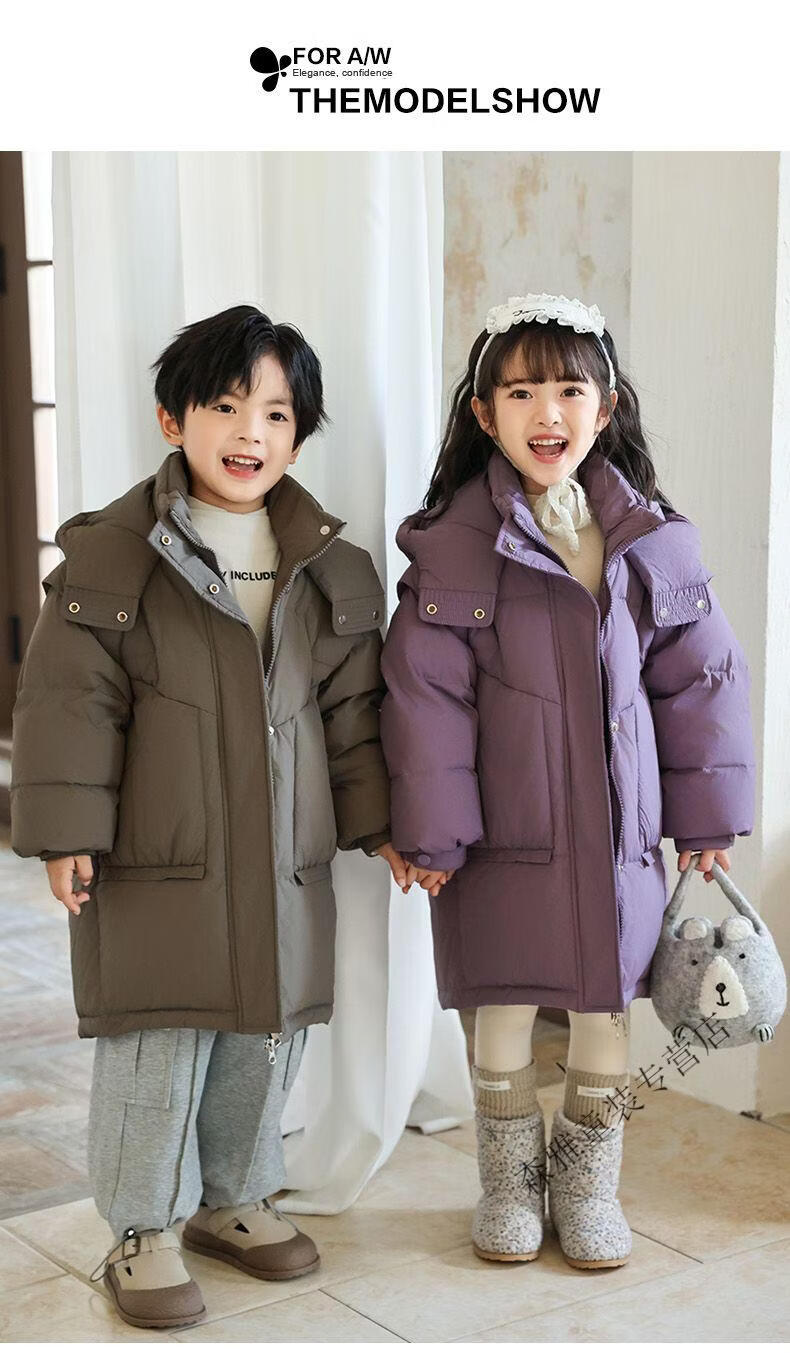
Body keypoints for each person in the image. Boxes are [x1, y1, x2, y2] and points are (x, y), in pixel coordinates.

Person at [10, 304, 406, 1329]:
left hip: (282, 855)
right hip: (159, 856)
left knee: (263, 1036)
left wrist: (380, 823)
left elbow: (354, 715)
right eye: (226, 406)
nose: (249, 433)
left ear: (299, 436)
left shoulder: (333, 568)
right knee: (156, 1041)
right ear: (171, 419)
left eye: (275, 414)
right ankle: (141, 1227)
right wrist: (67, 832)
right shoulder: (112, 557)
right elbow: (68, 702)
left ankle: (235, 1196)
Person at [379, 292, 755, 1270]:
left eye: (569, 391)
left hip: (617, 838)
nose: (546, 413)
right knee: (500, 1005)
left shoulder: (651, 540)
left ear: (607, 406)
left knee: (603, 1008)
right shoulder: (454, 547)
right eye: (520, 393)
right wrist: (434, 832)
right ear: (483, 414)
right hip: (500, 837)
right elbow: (424, 697)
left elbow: (702, 681)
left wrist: (706, 820)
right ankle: (509, 1185)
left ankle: (587, 1188)